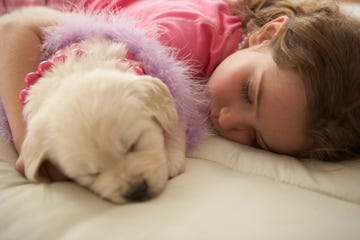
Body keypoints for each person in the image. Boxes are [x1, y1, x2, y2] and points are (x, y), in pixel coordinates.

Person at [0, 0, 359, 180]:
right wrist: (29, 136)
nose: (228, 118)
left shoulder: (235, 57)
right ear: (266, 34)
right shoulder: (180, 40)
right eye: (249, 91)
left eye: (254, 137)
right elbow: (17, 30)